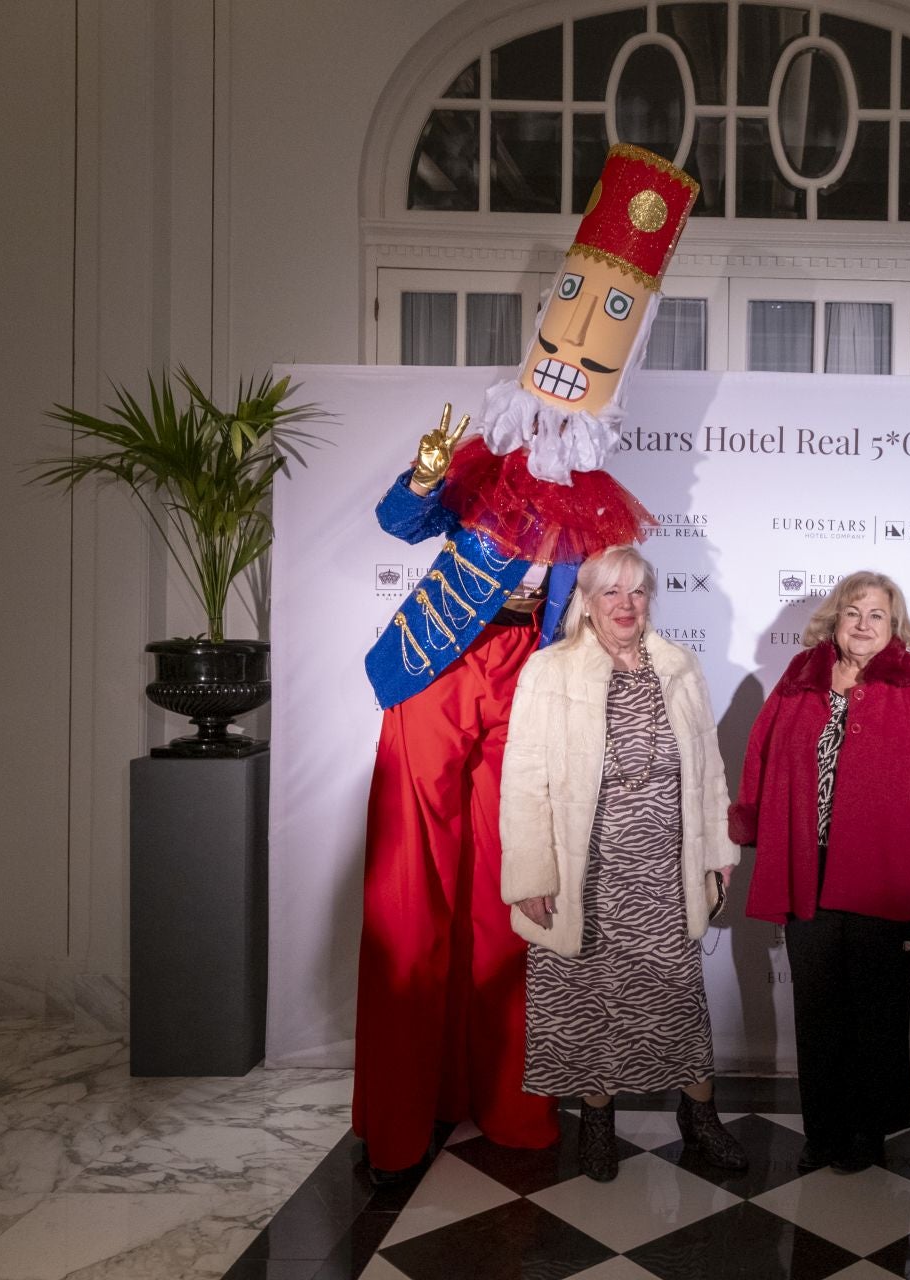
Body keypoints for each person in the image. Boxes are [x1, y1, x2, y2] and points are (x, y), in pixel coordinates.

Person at [352, 145, 699, 1177]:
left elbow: (610, 614)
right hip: (428, 676)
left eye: (598, 346)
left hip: (531, 692)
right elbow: (397, 518)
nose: (568, 357)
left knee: (517, 901)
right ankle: (402, 1120)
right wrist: (423, 471)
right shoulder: (482, 450)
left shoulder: (599, 497)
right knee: (409, 902)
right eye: (566, 321)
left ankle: (510, 1105)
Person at [732, 571, 910, 1173]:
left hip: (886, 877)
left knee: (878, 1012)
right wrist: (753, 827)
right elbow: (760, 756)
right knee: (817, 1011)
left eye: (876, 615)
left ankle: (868, 1131)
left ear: (894, 627)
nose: (862, 624)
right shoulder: (798, 682)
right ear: (834, 619)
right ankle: (823, 1130)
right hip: (810, 876)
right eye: (852, 612)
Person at [498, 546, 748, 1183]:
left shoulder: (680, 666)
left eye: (637, 592)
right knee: (588, 999)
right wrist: (530, 876)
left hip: (665, 867)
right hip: (586, 871)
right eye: (611, 593)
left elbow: (711, 769)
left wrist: (719, 855)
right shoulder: (549, 670)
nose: (626, 606)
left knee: (676, 996)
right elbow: (523, 781)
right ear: (587, 600)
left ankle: (699, 1118)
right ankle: (597, 1123)